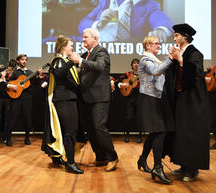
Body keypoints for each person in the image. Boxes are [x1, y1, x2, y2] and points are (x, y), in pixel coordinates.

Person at [166, 23, 210, 182]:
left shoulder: (194, 53)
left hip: (193, 100)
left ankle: (192, 169)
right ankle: (184, 165)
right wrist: (172, 60)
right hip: (181, 98)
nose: (174, 38)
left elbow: (196, 73)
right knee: (181, 133)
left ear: (185, 36)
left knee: (191, 133)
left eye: (177, 35)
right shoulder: (182, 51)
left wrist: (180, 60)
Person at [70, 28, 119, 172]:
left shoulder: (101, 51)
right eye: (83, 37)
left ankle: (112, 157)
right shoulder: (87, 54)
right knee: (91, 130)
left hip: (100, 98)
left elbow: (100, 67)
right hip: (87, 97)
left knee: (99, 127)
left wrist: (80, 60)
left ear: (95, 39)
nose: (83, 39)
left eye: (86, 37)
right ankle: (101, 156)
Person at [42, 35, 84, 174]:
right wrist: (72, 62)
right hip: (64, 101)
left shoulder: (64, 61)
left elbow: (72, 82)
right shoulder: (58, 61)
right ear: (63, 47)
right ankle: (70, 163)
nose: (72, 48)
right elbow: (59, 74)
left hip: (68, 100)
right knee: (70, 132)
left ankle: (58, 158)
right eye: (70, 45)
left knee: (67, 131)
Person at [137, 35, 176, 184]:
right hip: (149, 99)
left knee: (155, 132)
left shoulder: (155, 59)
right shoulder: (145, 60)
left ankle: (142, 159)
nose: (159, 46)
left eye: (159, 44)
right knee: (160, 131)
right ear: (148, 46)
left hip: (156, 98)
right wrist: (170, 58)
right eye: (156, 44)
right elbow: (156, 71)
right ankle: (158, 168)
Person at [78, 0, 173, 42]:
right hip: (97, 44)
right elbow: (83, 24)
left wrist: (161, 30)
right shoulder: (105, 2)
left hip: (124, 52)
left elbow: (159, 18)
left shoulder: (149, 5)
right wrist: (98, 24)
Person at [5, 54, 45, 146]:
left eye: (26, 60)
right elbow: (8, 82)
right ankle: (8, 139)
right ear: (18, 61)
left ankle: (27, 138)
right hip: (16, 98)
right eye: (22, 60)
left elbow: (36, 82)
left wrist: (40, 75)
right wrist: (14, 86)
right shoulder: (14, 72)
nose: (24, 61)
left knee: (28, 119)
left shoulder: (30, 72)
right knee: (13, 119)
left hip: (27, 99)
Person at [0, 59, 17, 143]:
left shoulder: (3, 71)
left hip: (2, 97)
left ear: (8, 64)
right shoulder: (15, 73)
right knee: (6, 118)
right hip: (7, 97)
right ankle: (5, 138)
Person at [117, 58, 142, 143]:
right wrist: (122, 84)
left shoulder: (142, 74)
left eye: (138, 63)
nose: (136, 65)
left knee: (139, 118)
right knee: (128, 117)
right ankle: (127, 135)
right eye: (134, 63)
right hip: (130, 98)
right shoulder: (128, 74)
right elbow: (118, 81)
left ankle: (140, 136)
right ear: (132, 66)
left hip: (139, 97)